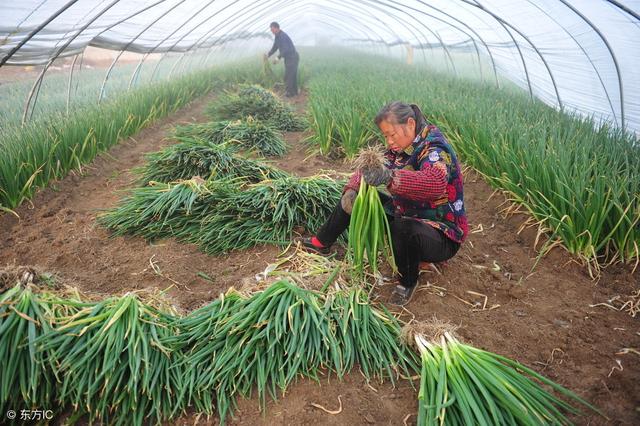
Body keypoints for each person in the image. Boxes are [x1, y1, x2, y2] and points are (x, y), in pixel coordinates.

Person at [302, 101, 468, 305]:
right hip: (405, 214)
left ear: (409, 123)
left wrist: (390, 178)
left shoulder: (434, 147)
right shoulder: (400, 146)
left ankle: (408, 281)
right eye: (385, 135)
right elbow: (375, 167)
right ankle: (322, 241)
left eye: (392, 134)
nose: (389, 141)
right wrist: (353, 187)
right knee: (358, 196)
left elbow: (434, 183)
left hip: (440, 233)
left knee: (404, 228)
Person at [265, 22, 299, 97]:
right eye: (271, 30)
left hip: (292, 57)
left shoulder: (283, 36)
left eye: (272, 29)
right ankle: (294, 93)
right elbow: (275, 47)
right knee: (291, 75)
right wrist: (268, 55)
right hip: (289, 58)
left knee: (289, 75)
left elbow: (285, 49)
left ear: (277, 28)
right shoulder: (277, 37)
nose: (272, 31)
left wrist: (277, 58)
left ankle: (289, 94)